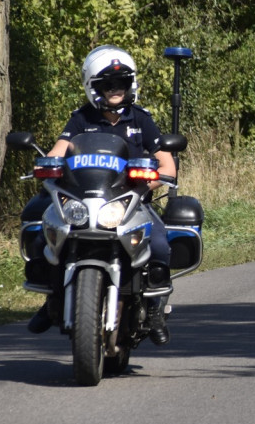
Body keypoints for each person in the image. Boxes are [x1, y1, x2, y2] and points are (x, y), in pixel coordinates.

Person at [27, 45, 176, 344]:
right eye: (108, 84)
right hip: (85, 202)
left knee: (159, 243)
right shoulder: (81, 119)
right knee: (45, 238)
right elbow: (58, 152)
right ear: (93, 87)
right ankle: (52, 299)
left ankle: (155, 308)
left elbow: (167, 164)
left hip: (132, 204)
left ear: (130, 85)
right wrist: (45, 165)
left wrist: (147, 185)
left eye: (121, 83)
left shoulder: (141, 120)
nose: (115, 90)